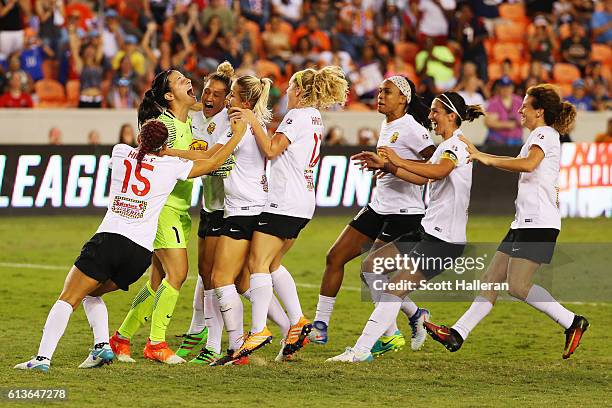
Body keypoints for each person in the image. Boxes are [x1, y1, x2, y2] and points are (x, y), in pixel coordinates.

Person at [14, 119, 246, 372]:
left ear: (138, 139)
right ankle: (102, 346)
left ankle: (41, 360)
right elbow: (212, 162)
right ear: (165, 145)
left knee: (68, 298)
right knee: (93, 294)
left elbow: (136, 157)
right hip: (139, 253)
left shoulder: (119, 151)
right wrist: (237, 135)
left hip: (110, 239)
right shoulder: (170, 166)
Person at [424, 84, 589, 360]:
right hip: (523, 222)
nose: (519, 109)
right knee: (490, 280)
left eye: (525, 105)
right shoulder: (540, 135)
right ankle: (457, 334)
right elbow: (520, 162)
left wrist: (482, 157)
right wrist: (480, 154)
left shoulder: (544, 134)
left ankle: (572, 321)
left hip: (538, 222)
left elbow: (527, 165)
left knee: (517, 287)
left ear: (539, 111)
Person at [327, 92, 484, 362]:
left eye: (435, 111)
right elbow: (423, 179)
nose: (431, 116)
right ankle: (413, 318)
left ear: (451, 116)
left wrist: (396, 161)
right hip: (427, 231)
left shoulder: (455, 146)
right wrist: (388, 166)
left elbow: (439, 172)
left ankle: (361, 350)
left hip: (443, 241)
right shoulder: (444, 146)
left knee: (393, 289)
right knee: (370, 268)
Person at [224, 66, 349, 363]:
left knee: (257, 262)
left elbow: (270, 149)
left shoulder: (298, 116)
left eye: (291, 87)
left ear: (301, 92)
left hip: (284, 200)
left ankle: (258, 330)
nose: (287, 93)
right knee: (273, 263)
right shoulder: (316, 118)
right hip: (303, 199)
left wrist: (252, 119)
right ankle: (297, 322)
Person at [311, 76, 436, 355]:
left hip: (405, 213)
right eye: (379, 91)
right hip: (379, 205)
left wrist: (392, 164)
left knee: (372, 272)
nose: (380, 95)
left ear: (403, 98)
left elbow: (434, 165)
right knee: (335, 257)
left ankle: (403, 324)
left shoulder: (413, 129)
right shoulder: (387, 123)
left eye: (387, 92)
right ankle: (320, 324)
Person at [109, 69, 200, 364]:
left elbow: (206, 105)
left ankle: (121, 339)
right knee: (178, 274)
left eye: (187, 77)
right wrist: (212, 155)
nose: (188, 80)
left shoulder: (183, 123)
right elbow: (155, 157)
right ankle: (156, 343)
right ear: (168, 95)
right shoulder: (165, 126)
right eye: (180, 80)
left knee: (157, 280)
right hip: (164, 210)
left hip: (179, 210)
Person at [485, 76, 523, 145]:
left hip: (516, 141)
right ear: (499, 88)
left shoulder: (519, 101)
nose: (506, 89)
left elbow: (526, 120)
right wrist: (507, 124)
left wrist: (499, 121)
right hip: (497, 141)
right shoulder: (493, 102)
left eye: (508, 87)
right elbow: (488, 122)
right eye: (503, 87)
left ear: (512, 88)